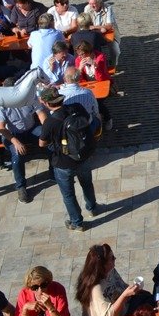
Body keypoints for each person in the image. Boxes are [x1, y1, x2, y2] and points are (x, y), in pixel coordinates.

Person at [38, 88, 97, 231]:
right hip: (83, 155)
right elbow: (87, 120)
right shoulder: (77, 107)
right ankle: (92, 208)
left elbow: (42, 143)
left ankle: (77, 222)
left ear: (47, 103)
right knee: (87, 184)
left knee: (68, 194)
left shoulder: (50, 122)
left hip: (63, 162)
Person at [75, 243, 151, 316]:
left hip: (126, 305)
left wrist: (134, 289)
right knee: (147, 312)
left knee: (148, 297)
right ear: (103, 265)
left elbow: (121, 285)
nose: (115, 259)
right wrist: (125, 295)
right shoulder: (96, 288)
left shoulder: (111, 271)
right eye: (112, 258)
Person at [0, 84, 43, 204]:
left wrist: (47, 131)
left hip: (31, 129)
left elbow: (41, 113)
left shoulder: (30, 97)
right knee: (17, 156)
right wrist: (15, 142)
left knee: (50, 139)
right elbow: (1, 128)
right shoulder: (0, 105)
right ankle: (21, 186)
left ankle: (54, 171)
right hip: (12, 134)